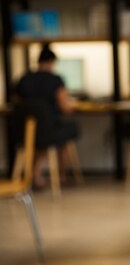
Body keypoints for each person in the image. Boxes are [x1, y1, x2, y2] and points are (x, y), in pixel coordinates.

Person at [13, 43, 79, 188]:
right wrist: (73, 105)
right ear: (51, 62)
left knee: (43, 135)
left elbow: (15, 102)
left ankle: (33, 173)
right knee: (66, 131)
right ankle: (60, 176)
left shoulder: (24, 78)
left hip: (24, 131)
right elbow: (65, 108)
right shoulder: (55, 80)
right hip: (47, 132)